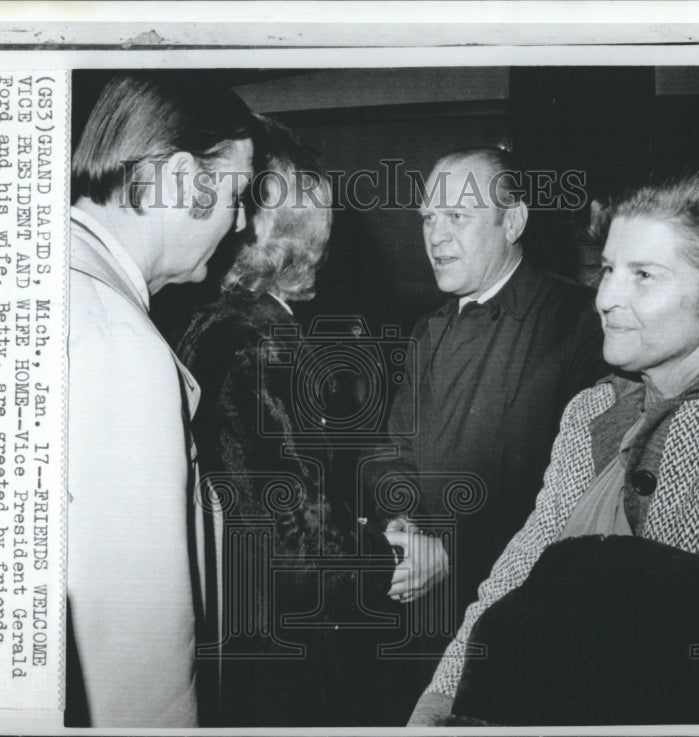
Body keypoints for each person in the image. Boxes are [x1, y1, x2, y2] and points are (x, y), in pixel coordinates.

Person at [409, 170, 699, 725]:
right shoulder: (591, 413)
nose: (606, 298)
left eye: (644, 276)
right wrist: (438, 702)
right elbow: (517, 571)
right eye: (608, 270)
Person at [177, 118, 398, 727]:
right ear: (310, 233)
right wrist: (391, 557)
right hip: (280, 645)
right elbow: (293, 545)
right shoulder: (262, 342)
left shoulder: (213, 323)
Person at [66, 73, 254, 727]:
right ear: (178, 178)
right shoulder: (119, 339)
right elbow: (142, 672)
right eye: (236, 193)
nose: (243, 220)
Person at [375, 148, 607, 653]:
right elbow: (395, 451)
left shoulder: (579, 323)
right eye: (429, 218)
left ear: (513, 221)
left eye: (458, 216)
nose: (435, 237)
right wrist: (405, 526)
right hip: (427, 606)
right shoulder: (428, 328)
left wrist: (453, 553)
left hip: (522, 614)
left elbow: (577, 493)